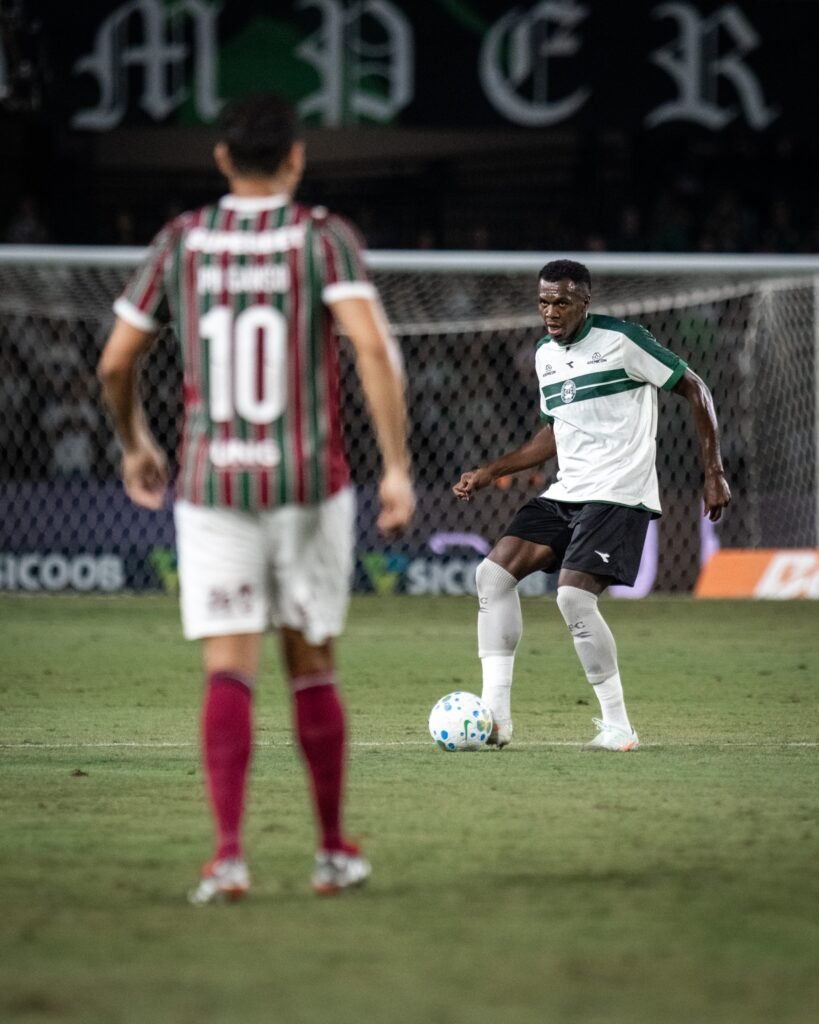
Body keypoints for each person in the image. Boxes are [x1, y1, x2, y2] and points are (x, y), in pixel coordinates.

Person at [97, 92, 415, 903]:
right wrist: (396, 466)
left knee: (227, 664)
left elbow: (113, 363)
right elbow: (372, 349)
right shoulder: (323, 238)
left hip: (213, 484)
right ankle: (332, 854)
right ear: (297, 158)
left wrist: (136, 442)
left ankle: (229, 857)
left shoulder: (183, 241)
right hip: (308, 482)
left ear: (221, 160)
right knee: (310, 659)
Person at [453, 259, 730, 751]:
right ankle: (495, 719)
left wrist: (714, 472)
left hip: (620, 492)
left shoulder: (624, 340)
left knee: (573, 597)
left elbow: (696, 389)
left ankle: (619, 726)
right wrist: (492, 471)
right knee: (491, 577)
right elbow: (553, 430)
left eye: (562, 301)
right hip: (569, 490)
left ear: (585, 301)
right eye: (543, 301)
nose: (551, 311)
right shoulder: (544, 355)